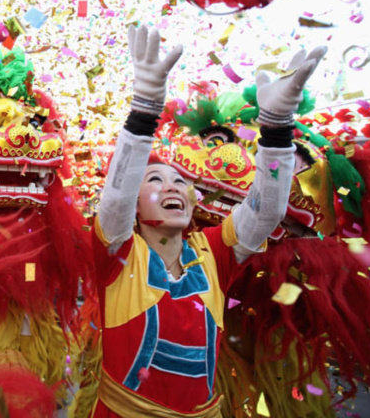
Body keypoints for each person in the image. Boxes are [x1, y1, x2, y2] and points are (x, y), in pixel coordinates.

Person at [91, 24, 326, 417]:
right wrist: (145, 109)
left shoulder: (213, 253)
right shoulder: (117, 254)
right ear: (135, 203)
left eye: (180, 181)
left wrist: (277, 129)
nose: (172, 188)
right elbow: (114, 199)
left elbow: (266, 210)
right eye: (155, 180)